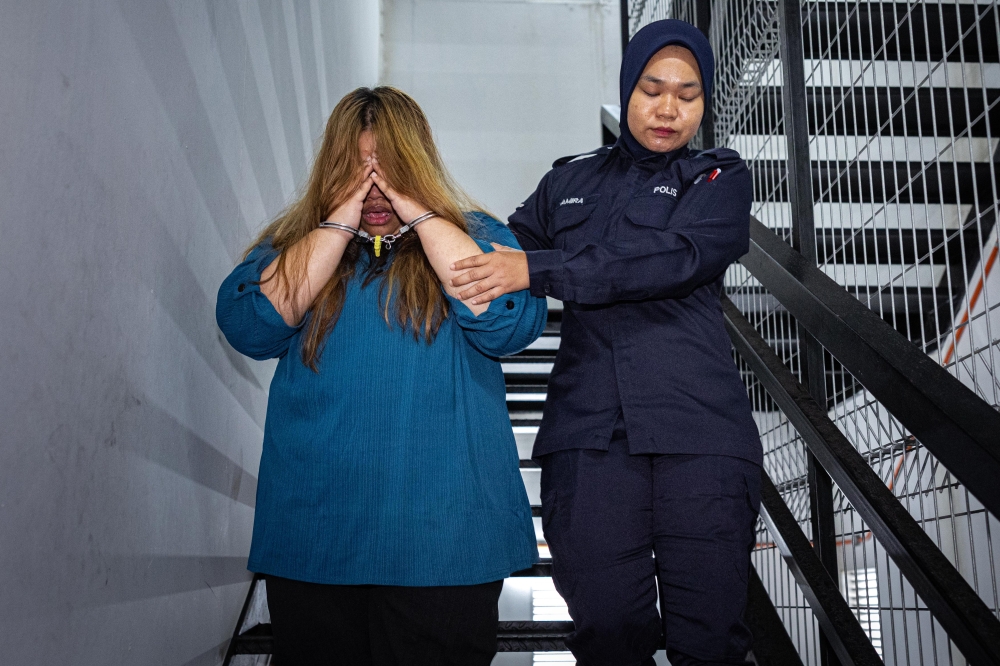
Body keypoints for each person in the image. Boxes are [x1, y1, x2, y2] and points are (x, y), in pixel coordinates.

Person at [449, 19, 763, 666]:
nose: (669, 108)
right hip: (588, 438)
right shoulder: (567, 182)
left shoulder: (719, 179)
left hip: (699, 433)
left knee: (711, 637)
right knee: (607, 629)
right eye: (652, 88)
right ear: (626, 90)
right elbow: (497, 253)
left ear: (705, 105)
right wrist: (426, 207)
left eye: (688, 93)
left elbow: (668, 259)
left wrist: (540, 269)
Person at [216, 86, 546, 666]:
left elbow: (505, 325)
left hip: (448, 548)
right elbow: (250, 324)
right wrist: (337, 225)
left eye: (390, 169)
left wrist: (423, 214)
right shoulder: (294, 246)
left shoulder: (477, 236)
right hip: (315, 542)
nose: (374, 188)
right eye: (355, 169)